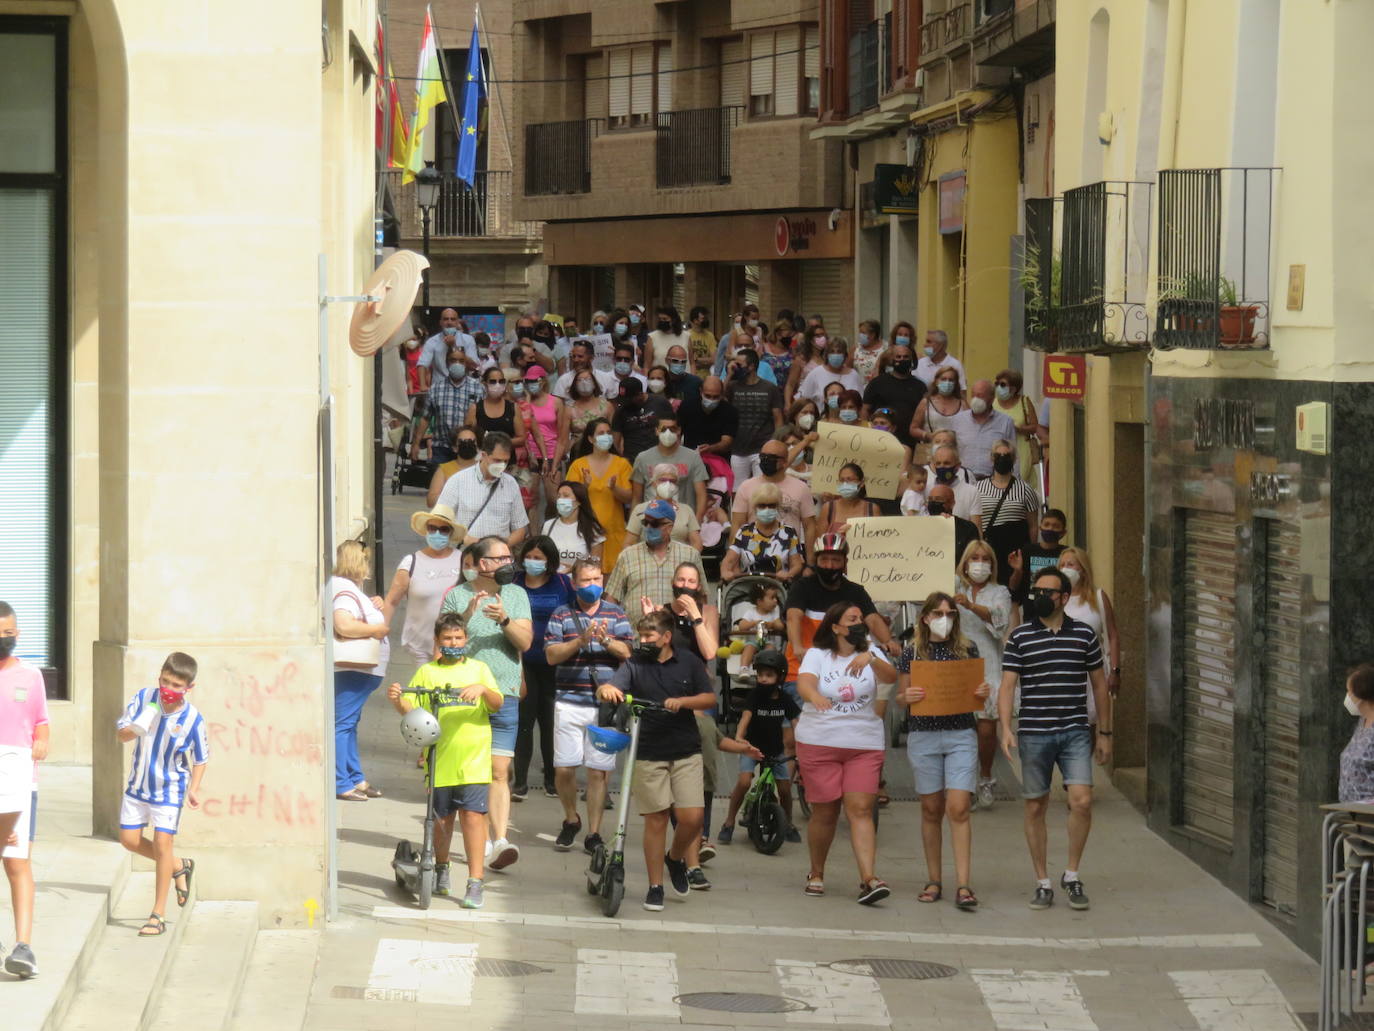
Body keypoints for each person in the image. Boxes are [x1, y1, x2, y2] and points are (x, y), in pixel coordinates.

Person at [999, 569, 1111, 911]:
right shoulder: (1020, 637)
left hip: (1075, 730)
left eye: (1048, 592)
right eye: (1037, 591)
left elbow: (1099, 685)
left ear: (1064, 598)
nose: (1040, 597)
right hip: (1034, 731)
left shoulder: (1084, 636)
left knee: (1081, 801)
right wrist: (1006, 727)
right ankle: (1042, 881)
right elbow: (1007, 686)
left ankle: (1072, 875)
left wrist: (1105, 733)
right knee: (1036, 805)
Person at [596, 610, 718, 912]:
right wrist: (607, 689)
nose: (644, 641)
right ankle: (655, 886)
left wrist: (683, 703)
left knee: (692, 818)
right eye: (642, 636)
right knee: (657, 819)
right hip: (648, 750)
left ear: (666, 637)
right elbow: (611, 686)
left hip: (686, 749)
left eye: (650, 637)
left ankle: (674, 858)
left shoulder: (688, 660)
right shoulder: (635, 663)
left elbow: (709, 698)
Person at [388, 615, 502, 909]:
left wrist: (483, 689)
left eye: (458, 638)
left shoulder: (479, 669)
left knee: (474, 818)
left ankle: (475, 881)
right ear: (437, 641)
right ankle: (441, 868)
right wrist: (398, 699)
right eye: (448, 639)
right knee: (440, 821)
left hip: (474, 759)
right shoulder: (427, 672)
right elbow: (412, 711)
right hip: (439, 759)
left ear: (466, 640)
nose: (453, 644)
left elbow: (496, 703)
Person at [439, 536, 534, 870]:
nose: (509, 563)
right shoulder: (456, 594)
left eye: (510, 557)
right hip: (464, 693)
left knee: (499, 770)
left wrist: (506, 620)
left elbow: (526, 640)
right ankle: (477, 839)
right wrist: (466, 614)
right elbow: (444, 642)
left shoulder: (517, 594)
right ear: (482, 564)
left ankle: (501, 839)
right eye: (501, 558)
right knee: (470, 771)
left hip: (503, 692)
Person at [794, 601, 895, 904]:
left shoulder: (872, 652)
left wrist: (871, 660)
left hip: (863, 743)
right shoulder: (817, 654)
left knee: (861, 809)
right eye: (851, 619)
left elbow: (890, 677)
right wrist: (815, 696)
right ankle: (816, 871)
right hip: (820, 741)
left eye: (861, 619)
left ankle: (869, 878)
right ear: (836, 626)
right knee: (825, 811)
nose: (858, 623)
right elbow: (805, 683)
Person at [899, 592, 986, 910]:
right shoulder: (912, 653)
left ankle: (964, 883)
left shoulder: (967, 649)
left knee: (959, 806)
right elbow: (900, 697)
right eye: (938, 613)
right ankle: (934, 879)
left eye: (950, 613)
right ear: (925, 618)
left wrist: (981, 692)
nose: (944, 619)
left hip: (960, 732)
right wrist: (906, 696)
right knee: (931, 808)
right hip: (924, 735)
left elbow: (977, 693)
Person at [115, 652, 209, 938]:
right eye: (165, 681)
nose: (169, 689)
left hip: (169, 790)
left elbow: (201, 758)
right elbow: (121, 734)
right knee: (129, 841)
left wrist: (193, 788)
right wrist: (138, 726)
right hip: (137, 786)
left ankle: (157, 913)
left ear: (188, 688)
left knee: (161, 842)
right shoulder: (144, 697)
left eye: (176, 685)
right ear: (160, 677)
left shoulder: (192, 719)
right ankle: (179, 866)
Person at [544, 559, 634, 854]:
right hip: (569, 700)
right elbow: (551, 656)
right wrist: (579, 642)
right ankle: (571, 818)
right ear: (574, 583)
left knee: (598, 772)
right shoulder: (561, 614)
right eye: (585, 580)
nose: (592, 584)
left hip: (605, 706)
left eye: (596, 578)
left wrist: (606, 640)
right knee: (564, 769)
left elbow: (628, 653)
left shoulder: (616, 614)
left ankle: (594, 833)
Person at [783, 534, 899, 700]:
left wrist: (888, 641)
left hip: (845, 673)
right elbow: (793, 617)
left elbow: (872, 619)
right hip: (802, 669)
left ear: (845, 562)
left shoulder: (855, 591)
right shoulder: (802, 587)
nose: (829, 565)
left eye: (836, 560)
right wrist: (797, 647)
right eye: (824, 559)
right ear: (816, 561)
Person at [0, 602, 47, 976]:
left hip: (17, 782)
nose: (4, 639)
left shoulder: (31, 676)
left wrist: (42, 742)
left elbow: (42, 722)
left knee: (16, 862)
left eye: (9, 633)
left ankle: (24, 946)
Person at [512, 537, 573, 800]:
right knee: (524, 721)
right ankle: (521, 781)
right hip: (522, 661)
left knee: (550, 722)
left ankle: (551, 779)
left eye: (539, 558)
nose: (533, 562)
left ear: (549, 561)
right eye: (530, 556)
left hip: (553, 663)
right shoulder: (513, 583)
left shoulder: (562, 583)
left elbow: (574, 614)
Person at [953, 541, 1012, 810]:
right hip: (956, 663)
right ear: (965, 562)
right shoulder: (954, 585)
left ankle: (985, 777)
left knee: (986, 728)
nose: (979, 562)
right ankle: (961, 784)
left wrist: (970, 605)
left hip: (987, 663)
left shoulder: (1000, 591)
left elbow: (1000, 619)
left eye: (985, 558)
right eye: (974, 557)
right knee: (959, 729)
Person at [719, 649, 801, 843]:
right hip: (751, 748)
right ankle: (729, 822)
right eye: (761, 674)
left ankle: (788, 823)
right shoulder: (754, 696)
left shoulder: (784, 698)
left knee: (784, 789)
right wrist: (739, 737)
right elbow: (745, 718)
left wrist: (805, 741)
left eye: (769, 675)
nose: (764, 679)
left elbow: (796, 721)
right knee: (745, 781)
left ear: (780, 677)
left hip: (775, 750)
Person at [330, 540, 390, 801]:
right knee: (342, 725)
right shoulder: (343, 591)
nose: (368, 566)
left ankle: (354, 777)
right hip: (353, 669)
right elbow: (343, 625)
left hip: (360, 670)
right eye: (365, 561)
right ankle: (340, 782)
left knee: (349, 724)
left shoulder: (349, 589)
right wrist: (376, 630)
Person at [384, 504, 466, 665]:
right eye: (432, 528)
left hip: (456, 643)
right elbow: (392, 600)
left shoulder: (463, 560)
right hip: (420, 644)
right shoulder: (411, 562)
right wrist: (380, 631)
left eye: (443, 529)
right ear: (427, 530)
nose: (437, 533)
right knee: (428, 687)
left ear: (450, 533)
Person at [1058, 547, 1122, 723]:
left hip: (1093, 674)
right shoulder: (1056, 599)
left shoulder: (1098, 597)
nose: (1065, 568)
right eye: (1062, 564)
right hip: (1062, 673)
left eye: (1070, 564)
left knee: (1088, 726)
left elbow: (1113, 635)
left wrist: (1115, 671)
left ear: (1082, 568)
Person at [606, 500, 707, 610]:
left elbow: (702, 597)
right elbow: (612, 599)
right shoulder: (627, 556)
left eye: (654, 524)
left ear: (670, 527)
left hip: (677, 627)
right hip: (635, 627)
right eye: (645, 522)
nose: (648, 527)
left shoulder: (690, 555)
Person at [437, 431, 530, 547]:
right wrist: (465, 539)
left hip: (498, 558)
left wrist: (501, 546)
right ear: (484, 455)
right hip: (465, 554)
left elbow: (520, 528)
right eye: (497, 460)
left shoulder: (511, 484)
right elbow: (440, 519)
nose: (502, 465)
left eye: (505, 461)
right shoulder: (458, 481)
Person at [567, 419, 635, 571]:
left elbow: (630, 497)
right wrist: (585, 486)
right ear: (591, 439)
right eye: (601, 433)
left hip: (614, 534)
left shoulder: (622, 464)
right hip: (585, 534)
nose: (606, 436)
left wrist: (614, 488)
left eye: (609, 433)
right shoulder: (578, 465)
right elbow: (568, 498)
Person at [975, 439, 1039, 584]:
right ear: (992, 458)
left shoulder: (1026, 490)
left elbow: (1033, 525)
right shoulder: (978, 488)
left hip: (1014, 550)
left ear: (1014, 459)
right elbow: (976, 521)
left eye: (1007, 456)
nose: (1002, 459)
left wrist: (1030, 551)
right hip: (989, 549)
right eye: (998, 456)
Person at [412, 341, 485, 464]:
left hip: (469, 449)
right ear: (446, 363)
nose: (457, 364)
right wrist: (416, 444)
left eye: (461, 361)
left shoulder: (478, 388)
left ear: (466, 363)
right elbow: (425, 418)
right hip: (441, 448)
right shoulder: (435, 389)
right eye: (453, 360)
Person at [730, 439, 816, 540]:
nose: (766, 460)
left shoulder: (801, 488)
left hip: (791, 552)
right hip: (754, 552)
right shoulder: (746, 487)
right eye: (763, 456)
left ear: (784, 462)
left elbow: (809, 526)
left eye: (771, 458)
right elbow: (737, 525)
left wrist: (810, 555)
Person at [722, 347, 784, 485]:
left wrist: (774, 445)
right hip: (738, 448)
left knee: (762, 487)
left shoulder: (769, 388)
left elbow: (778, 419)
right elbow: (718, 398)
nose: (735, 367)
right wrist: (729, 375)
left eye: (739, 365)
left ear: (751, 366)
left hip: (761, 448)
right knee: (737, 490)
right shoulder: (732, 386)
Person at [721, 483, 804, 583]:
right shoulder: (744, 532)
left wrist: (789, 574)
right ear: (755, 507)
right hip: (748, 587)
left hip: (779, 587)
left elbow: (796, 563)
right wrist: (725, 571)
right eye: (762, 505)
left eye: (771, 505)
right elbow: (729, 560)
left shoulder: (789, 533)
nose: (767, 509)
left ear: (777, 507)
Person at [630, 413, 709, 517]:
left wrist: (696, 523)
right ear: (656, 431)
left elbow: (702, 496)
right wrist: (634, 526)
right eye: (663, 429)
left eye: (672, 429)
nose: (668, 433)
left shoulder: (693, 457)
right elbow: (636, 498)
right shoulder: (643, 458)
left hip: (683, 522)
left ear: (679, 431)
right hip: (652, 522)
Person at [517, 365, 567, 524]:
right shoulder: (522, 403)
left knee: (553, 499)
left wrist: (556, 462)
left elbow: (562, 434)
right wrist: (527, 399)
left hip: (552, 453)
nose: (531, 384)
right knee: (531, 499)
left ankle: (549, 526)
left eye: (534, 381)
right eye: (528, 381)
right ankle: (533, 536)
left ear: (543, 381)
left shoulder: (556, 402)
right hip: (530, 454)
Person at [862, 341, 926, 450]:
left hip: (909, 443)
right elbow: (865, 410)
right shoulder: (877, 383)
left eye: (906, 357)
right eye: (898, 357)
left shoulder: (920, 386)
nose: (902, 360)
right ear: (892, 360)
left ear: (911, 360)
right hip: (880, 441)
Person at [624, 463, 704, 551]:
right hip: (647, 561)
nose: (668, 484)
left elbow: (697, 542)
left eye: (672, 481)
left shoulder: (686, 510)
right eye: (663, 480)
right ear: (654, 482)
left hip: (680, 560)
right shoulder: (640, 509)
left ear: (677, 484)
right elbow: (628, 542)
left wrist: (689, 560)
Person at [949, 381, 1017, 479]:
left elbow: (1013, 455)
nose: (976, 399)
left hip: (994, 481)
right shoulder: (958, 420)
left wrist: (1013, 482)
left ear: (992, 398)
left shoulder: (1005, 422)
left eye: (980, 395)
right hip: (964, 480)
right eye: (973, 395)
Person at [541, 481, 606, 571]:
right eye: (559, 496)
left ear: (579, 501)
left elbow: (596, 565)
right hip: (552, 580)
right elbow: (541, 557)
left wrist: (573, 569)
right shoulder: (548, 526)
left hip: (579, 582)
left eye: (566, 496)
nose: (561, 499)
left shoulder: (592, 528)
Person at [1009, 508, 1070, 603]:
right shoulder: (1027, 551)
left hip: (1059, 609)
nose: (1050, 528)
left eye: (1056, 526)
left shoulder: (1067, 554)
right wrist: (1017, 570)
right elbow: (1013, 587)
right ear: (1040, 527)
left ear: (1063, 533)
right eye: (1046, 524)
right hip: (1031, 611)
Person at [812, 462, 881, 546]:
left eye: (850, 480)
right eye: (842, 480)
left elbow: (878, 541)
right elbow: (819, 542)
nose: (845, 484)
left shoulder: (872, 509)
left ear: (861, 483)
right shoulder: (828, 508)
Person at [993, 368, 1042, 485]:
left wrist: (1017, 429)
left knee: (1018, 481)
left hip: (1021, 449)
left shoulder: (1024, 402)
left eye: (1003, 384)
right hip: (998, 448)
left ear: (1014, 388)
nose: (999, 387)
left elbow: (1035, 427)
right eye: (997, 384)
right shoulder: (993, 402)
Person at [613, 377, 675, 463]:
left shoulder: (660, 403)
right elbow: (616, 441)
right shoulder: (621, 411)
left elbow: (673, 428)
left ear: (640, 394)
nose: (626, 402)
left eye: (629, 399)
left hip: (659, 458)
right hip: (633, 460)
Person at [926, 484, 982, 575]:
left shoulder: (967, 528)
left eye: (938, 499)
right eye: (930, 499)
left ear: (952, 503)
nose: (933, 503)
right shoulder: (921, 525)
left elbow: (973, 559)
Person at [466, 367, 527, 450]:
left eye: (501, 381)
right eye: (493, 381)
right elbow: (467, 436)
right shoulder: (475, 408)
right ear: (484, 383)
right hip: (483, 459)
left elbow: (522, 439)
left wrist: (498, 442)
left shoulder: (513, 407)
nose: (497, 385)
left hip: (507, 460)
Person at [417, 308, 478, 392]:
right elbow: (422, 364)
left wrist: (454, 346)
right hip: (439, 387)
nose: (449, 322)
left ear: (457, 323)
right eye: (446, 319)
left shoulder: (468, 340)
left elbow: (473, 366)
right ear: (440, 322)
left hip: (463, 387)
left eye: (452, 319)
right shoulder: (432, 341)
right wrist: (423, 385)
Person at [679, 375, 737, 460]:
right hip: (690, 459)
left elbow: (727, 442)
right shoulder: (687, 406)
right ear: (700, 391)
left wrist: (711, 448)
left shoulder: (730, 411)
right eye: (707, 396)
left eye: (716, 397)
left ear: (721, 394)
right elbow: (677, 432)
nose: (711, 400)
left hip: (718, 461)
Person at [1340, 663, 1374, 804]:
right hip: (1352, 813)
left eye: (1349, 692)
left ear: (1362, 695)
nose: (1347, 697)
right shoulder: (1362, 722)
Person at [910, 365, 967, 446]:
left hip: (956, 451)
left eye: (951, 380)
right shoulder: (926, 403)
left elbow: (970, 427)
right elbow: (913, 429)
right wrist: (927, 435)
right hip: (930, 450)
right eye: (943, 379)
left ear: (956, 383)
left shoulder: (963, 404)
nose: (947, 382)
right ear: (936, 381)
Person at [426, 426, 481, 508]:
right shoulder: (443, 469)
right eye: (462, 441)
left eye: (471, 441)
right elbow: (431, 501)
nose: (467, 444)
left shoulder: (484, 469)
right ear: (454, 448)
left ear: (477, 447)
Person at [798, 336, 863, 405]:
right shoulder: (815, 374)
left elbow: (860, 401)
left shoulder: (853, 375)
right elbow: (804, 400)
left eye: (839, 351)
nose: (836, 355)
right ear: (827, 354)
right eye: (832, 351)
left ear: (845, 354)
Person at [931, 445, 983, 524]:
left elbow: (976, 529)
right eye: (938, 463)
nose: (942, 467)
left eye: (946, 463)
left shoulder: (971, 492)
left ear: (958, 466)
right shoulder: (925, 488)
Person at [566, 366, 616, 445]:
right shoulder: (569, 410)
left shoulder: (607, 406)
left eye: (588, 379)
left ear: (594, 384)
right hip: (578, 452)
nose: (584, 383)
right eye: (580, 380)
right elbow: (563, 440)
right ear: (575, 386)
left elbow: (615, 434)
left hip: (603, 450)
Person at [552, 339, 618, 399]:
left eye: (580, 356)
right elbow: (558, 406)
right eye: (574, 356)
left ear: (591, 358)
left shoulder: (606, 378)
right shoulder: (563, 380)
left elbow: (612, 404)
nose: (576, 360)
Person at [647, 307, 690, 372]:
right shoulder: (652, 337)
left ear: (673, 320)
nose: (662, 321)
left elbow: (692, 362)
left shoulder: (686, 336)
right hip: (661, 379)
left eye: (665, 319)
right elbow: (647, 365)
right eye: (660, 319)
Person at [664, 343, 704, 408]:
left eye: (683, 362)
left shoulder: (696, 382)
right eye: (675, 361)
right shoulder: (662, 382)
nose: (679, 364)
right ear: (667, 360)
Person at [687, 306, 716, 377]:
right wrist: (705, 361)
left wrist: (696, 360)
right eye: (703, 318)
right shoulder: (686, 335)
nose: (706, 320)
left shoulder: (710, 336)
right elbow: (687, 360)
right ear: (695, 320)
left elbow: (714, 359)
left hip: (706, 376)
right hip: (690, 375)